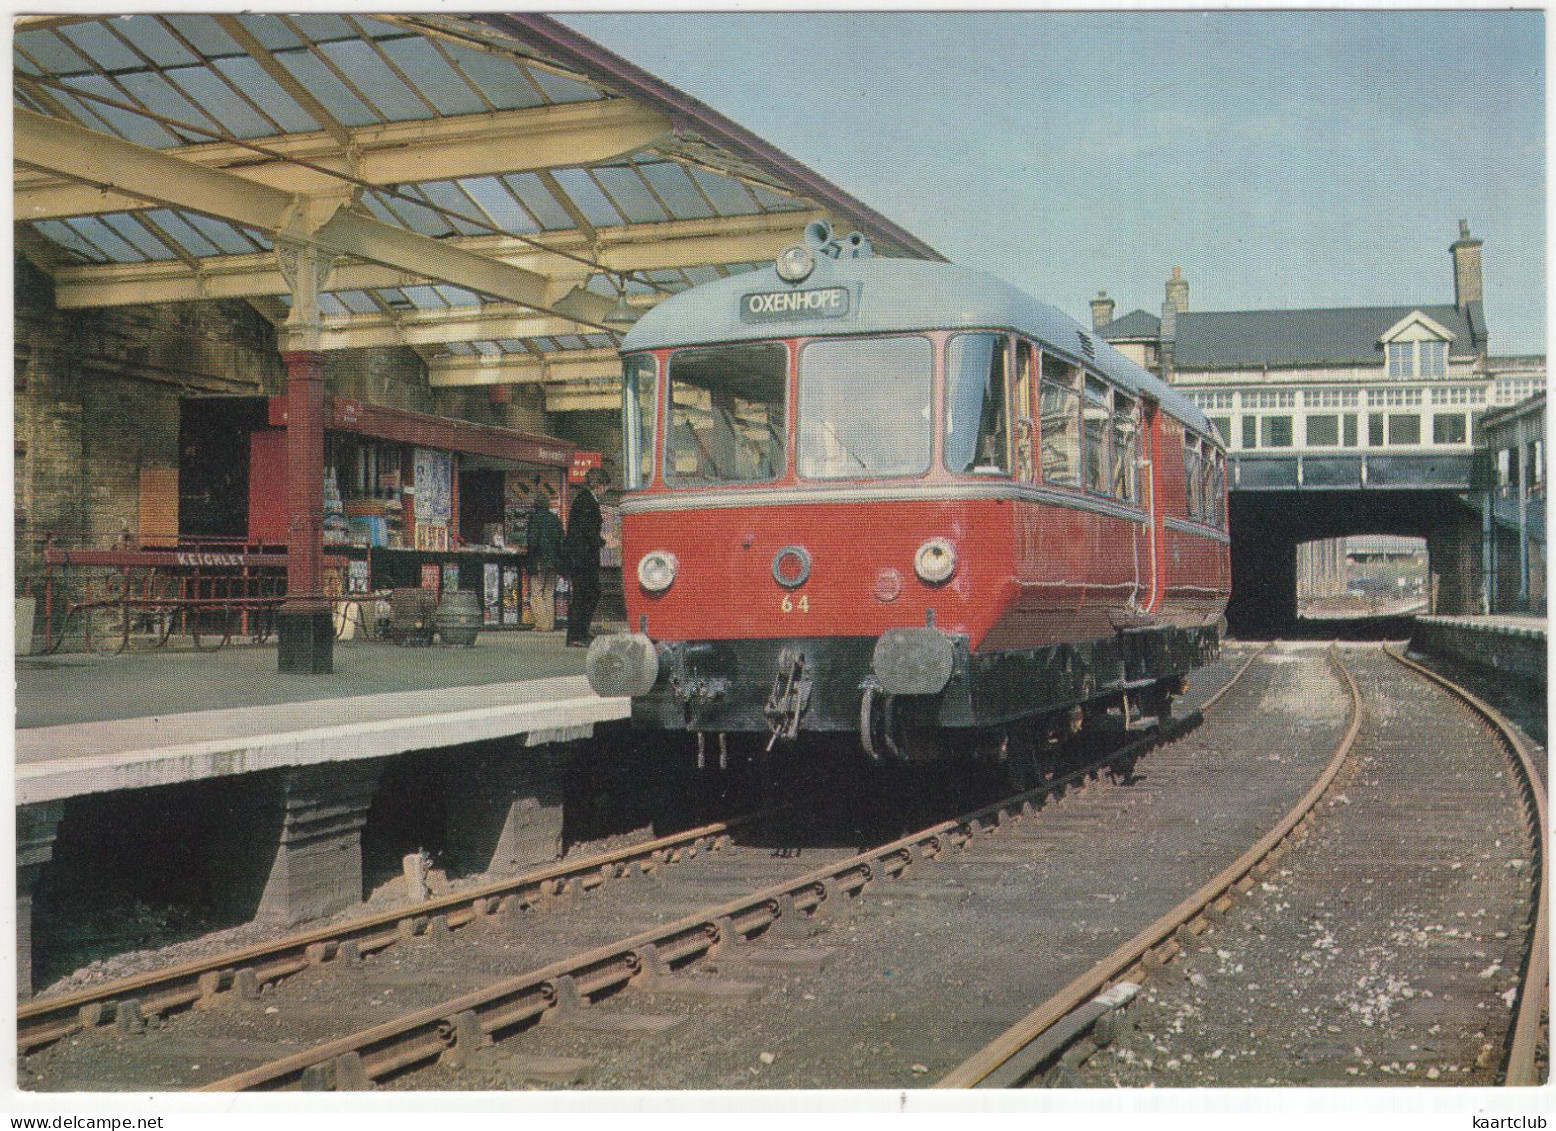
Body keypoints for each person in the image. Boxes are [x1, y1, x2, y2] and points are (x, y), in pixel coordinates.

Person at [562, 468, 606, 647]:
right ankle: (577, 635)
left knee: (587, 593)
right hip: (583, 558)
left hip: (582, 556)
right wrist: (602, 541)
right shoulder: (586, 501)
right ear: (600, 485)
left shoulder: (584, 499)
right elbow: (587, 530)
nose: (605, 491)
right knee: (585, 594)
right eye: (605, 486)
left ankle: (579, 633)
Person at [523, 494, 564, 632]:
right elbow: (561, 540)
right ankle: (550, 624)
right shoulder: (555, 519)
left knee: (536, 592)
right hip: (553, 562)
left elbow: (533, 542)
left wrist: (530, 557)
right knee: (548, 592)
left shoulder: (534, 519)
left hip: (539, 560)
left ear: (535, 505)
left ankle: (541, 624)